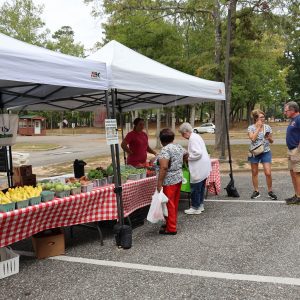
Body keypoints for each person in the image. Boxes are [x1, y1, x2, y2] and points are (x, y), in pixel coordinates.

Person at [156, 128, 187, 235]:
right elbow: (186, 154)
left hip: (169, 180)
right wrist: (179, 163)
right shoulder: (178, 147)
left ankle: (171, 228)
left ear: (161, 140)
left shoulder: (165, 150)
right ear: (172, 138)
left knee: (169, 204)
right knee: (174, 203)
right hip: (178, 178)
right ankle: (170, 223)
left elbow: (164, 167)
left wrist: (159, 183)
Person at [179, 122, 211, 214]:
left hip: (198, 166)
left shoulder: (192, 139)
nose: (182, 136)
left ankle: (195, 207)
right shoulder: (196, 136)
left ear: (186, 132)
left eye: (182, 134)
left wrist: (187, 157)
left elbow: (197, 153)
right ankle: (200, 205)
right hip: (203, 166)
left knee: (195, 188)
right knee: (200, 188)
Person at [247, 109, 277, 200]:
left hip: (266, 151)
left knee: (268, 172)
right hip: (255, 152)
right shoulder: (251, 128)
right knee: (254, 172)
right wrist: (259, 128)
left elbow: (272, 141)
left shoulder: (268, 127)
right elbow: (252, 138)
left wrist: (269, 138)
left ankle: (270, 191)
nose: (263, 118)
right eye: (261, 117)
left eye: (263, 117)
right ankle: (256, 191)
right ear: (256, 118)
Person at [283, 101, 300, 205]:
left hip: (296, 151)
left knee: (297, 173)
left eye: (286, 111)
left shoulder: (299, 119)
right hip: (290, 150)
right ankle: (296, 194)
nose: (285, 113)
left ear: (293, 110)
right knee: (292, 173)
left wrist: (298, 152)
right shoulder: (293, 119)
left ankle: (299, 197)